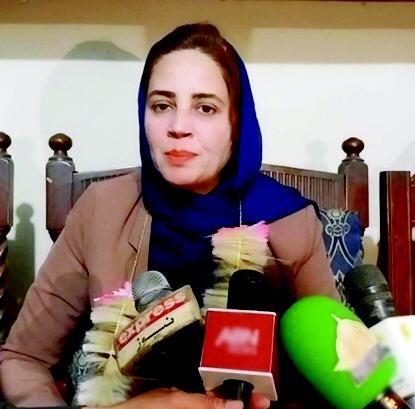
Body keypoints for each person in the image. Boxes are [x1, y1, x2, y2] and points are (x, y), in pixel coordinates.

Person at [0, 23, 339, 408]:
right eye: (162, 106)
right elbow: (22, 359)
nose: (179, 128)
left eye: (205, 108)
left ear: (236, 122)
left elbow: (337, 372)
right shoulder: (103, 209)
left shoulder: (289, 221)